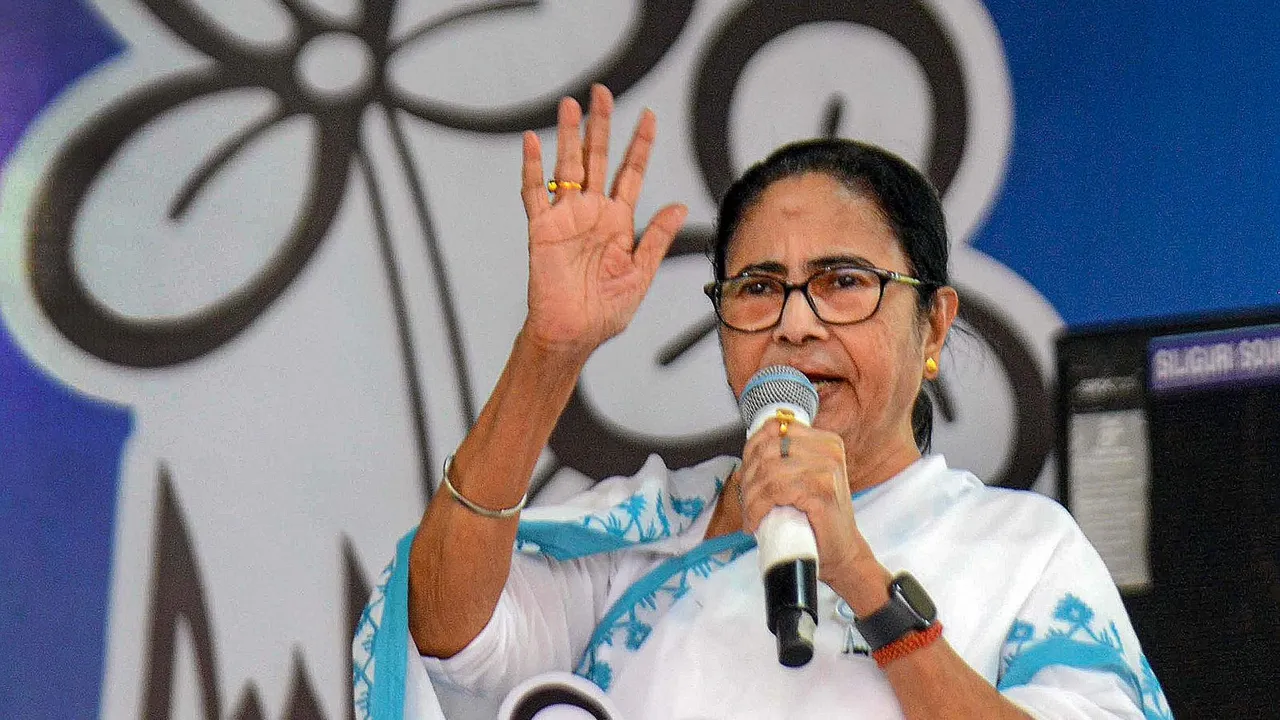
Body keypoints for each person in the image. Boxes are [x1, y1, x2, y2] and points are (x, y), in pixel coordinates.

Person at [352, 85, 1171, 720]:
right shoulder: (652, 537)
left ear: (934, 326)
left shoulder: (1020, 553)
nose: (795, 323)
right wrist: (549, 353)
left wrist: (859, 577)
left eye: (842, 282)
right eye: (757, 288)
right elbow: (448, 634)